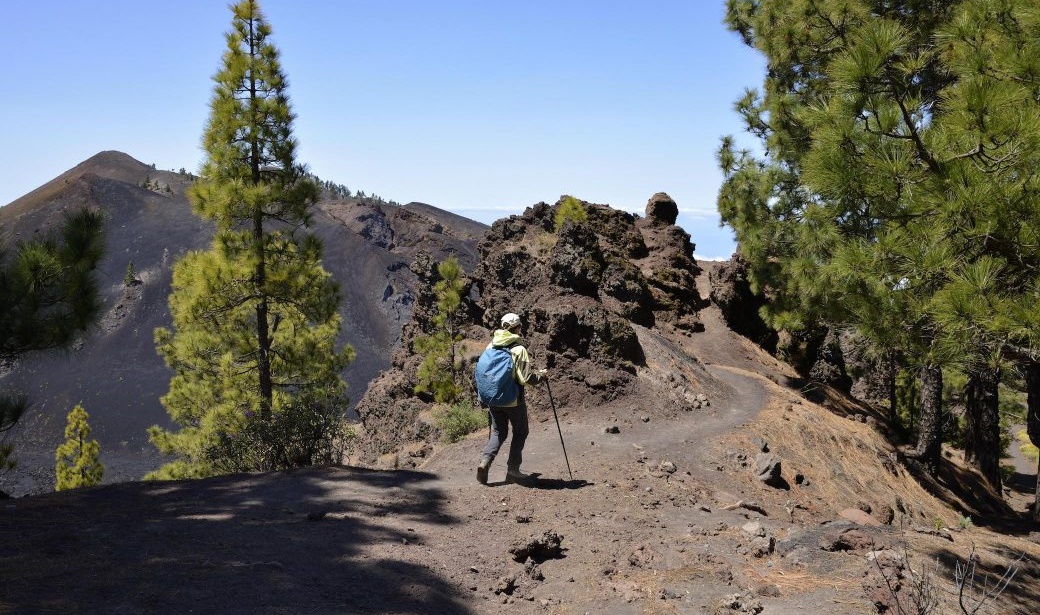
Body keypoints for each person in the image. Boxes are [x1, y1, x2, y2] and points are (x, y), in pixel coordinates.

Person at [476, 312, 546, 485]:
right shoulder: (518, 349)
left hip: (493, 399)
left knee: (499, 432)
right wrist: (541, 376)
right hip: (513, 401)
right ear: (517, 328)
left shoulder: (490, 346)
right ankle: (513, 471)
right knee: (521, 432)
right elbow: (525, 379)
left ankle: (485, 461)